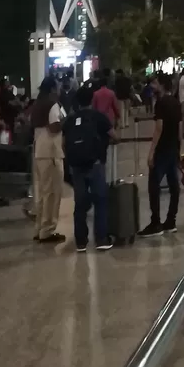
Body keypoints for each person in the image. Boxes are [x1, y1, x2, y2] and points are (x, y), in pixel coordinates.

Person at [62, 85, 114, 253]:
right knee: (100, 200)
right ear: (92, 99)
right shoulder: (99, 117)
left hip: (77, 166)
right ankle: (101, 239)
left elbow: (64, 144)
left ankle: (81, 242)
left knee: (80, 203)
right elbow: (115, 136)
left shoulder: (70, 120)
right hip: (95, 163)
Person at [140, 73, 184, 236]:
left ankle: (155, 222)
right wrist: (180, 148)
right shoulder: (176, 102)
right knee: (174, 186)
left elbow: (159, 127)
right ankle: (171, 220)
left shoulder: (161, 103)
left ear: (162, 85)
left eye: (155, 83)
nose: (152, 86)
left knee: (154, 185)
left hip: (162, 149)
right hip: (173, 148)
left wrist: (151, 152)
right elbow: (180, 128)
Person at [31, 76, 66, 243]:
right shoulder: (52, 104)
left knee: (43, 193)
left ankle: (39, 228)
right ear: (52, 88)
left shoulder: (37, 103)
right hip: (51, 151)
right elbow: (54, 126)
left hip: (39, 150)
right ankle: (48, 230)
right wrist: (65, 122)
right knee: (52, 192)